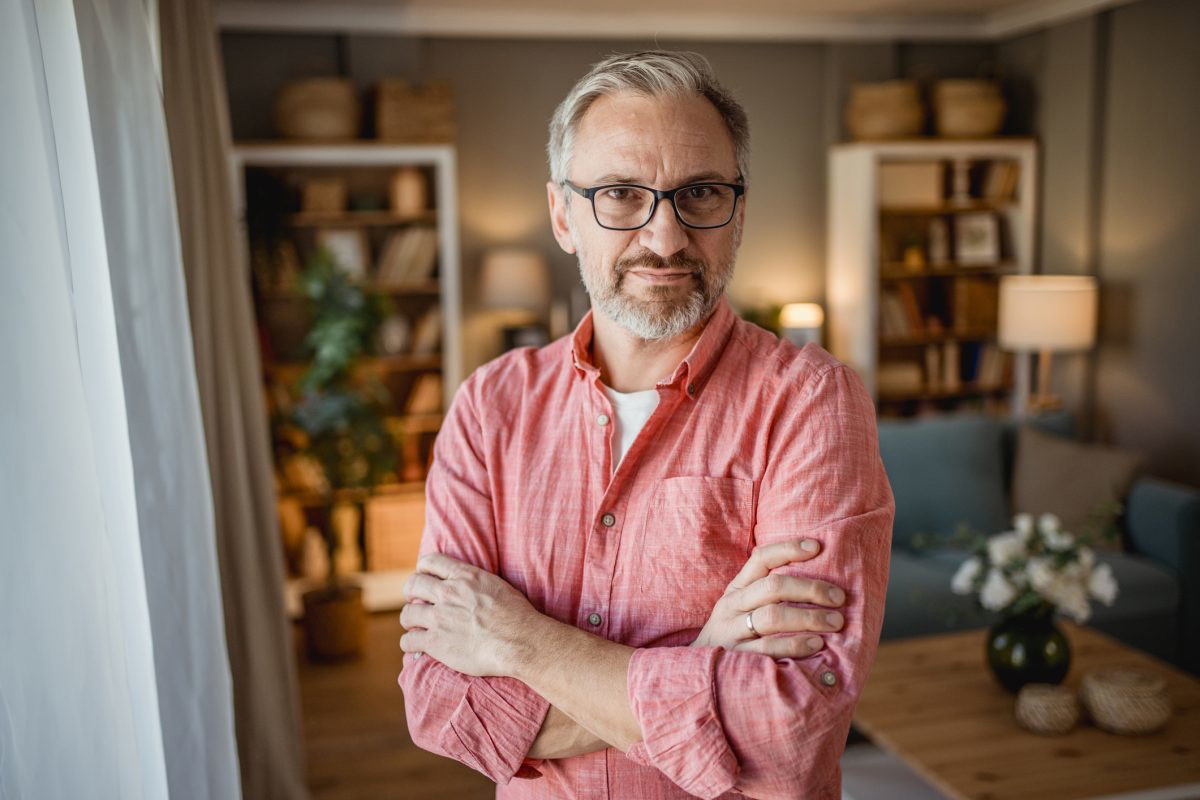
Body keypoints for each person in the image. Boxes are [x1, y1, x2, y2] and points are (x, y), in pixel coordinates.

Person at [398, 50, 894, 799]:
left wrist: (521, 642)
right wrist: (701, 660)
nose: (664, 238)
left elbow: (791, 732)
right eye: (621, 195)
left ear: (739, 209)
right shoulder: (488, 407)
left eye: (698, 194)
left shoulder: (811, 402)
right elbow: (443, 708)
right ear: (564, 215)